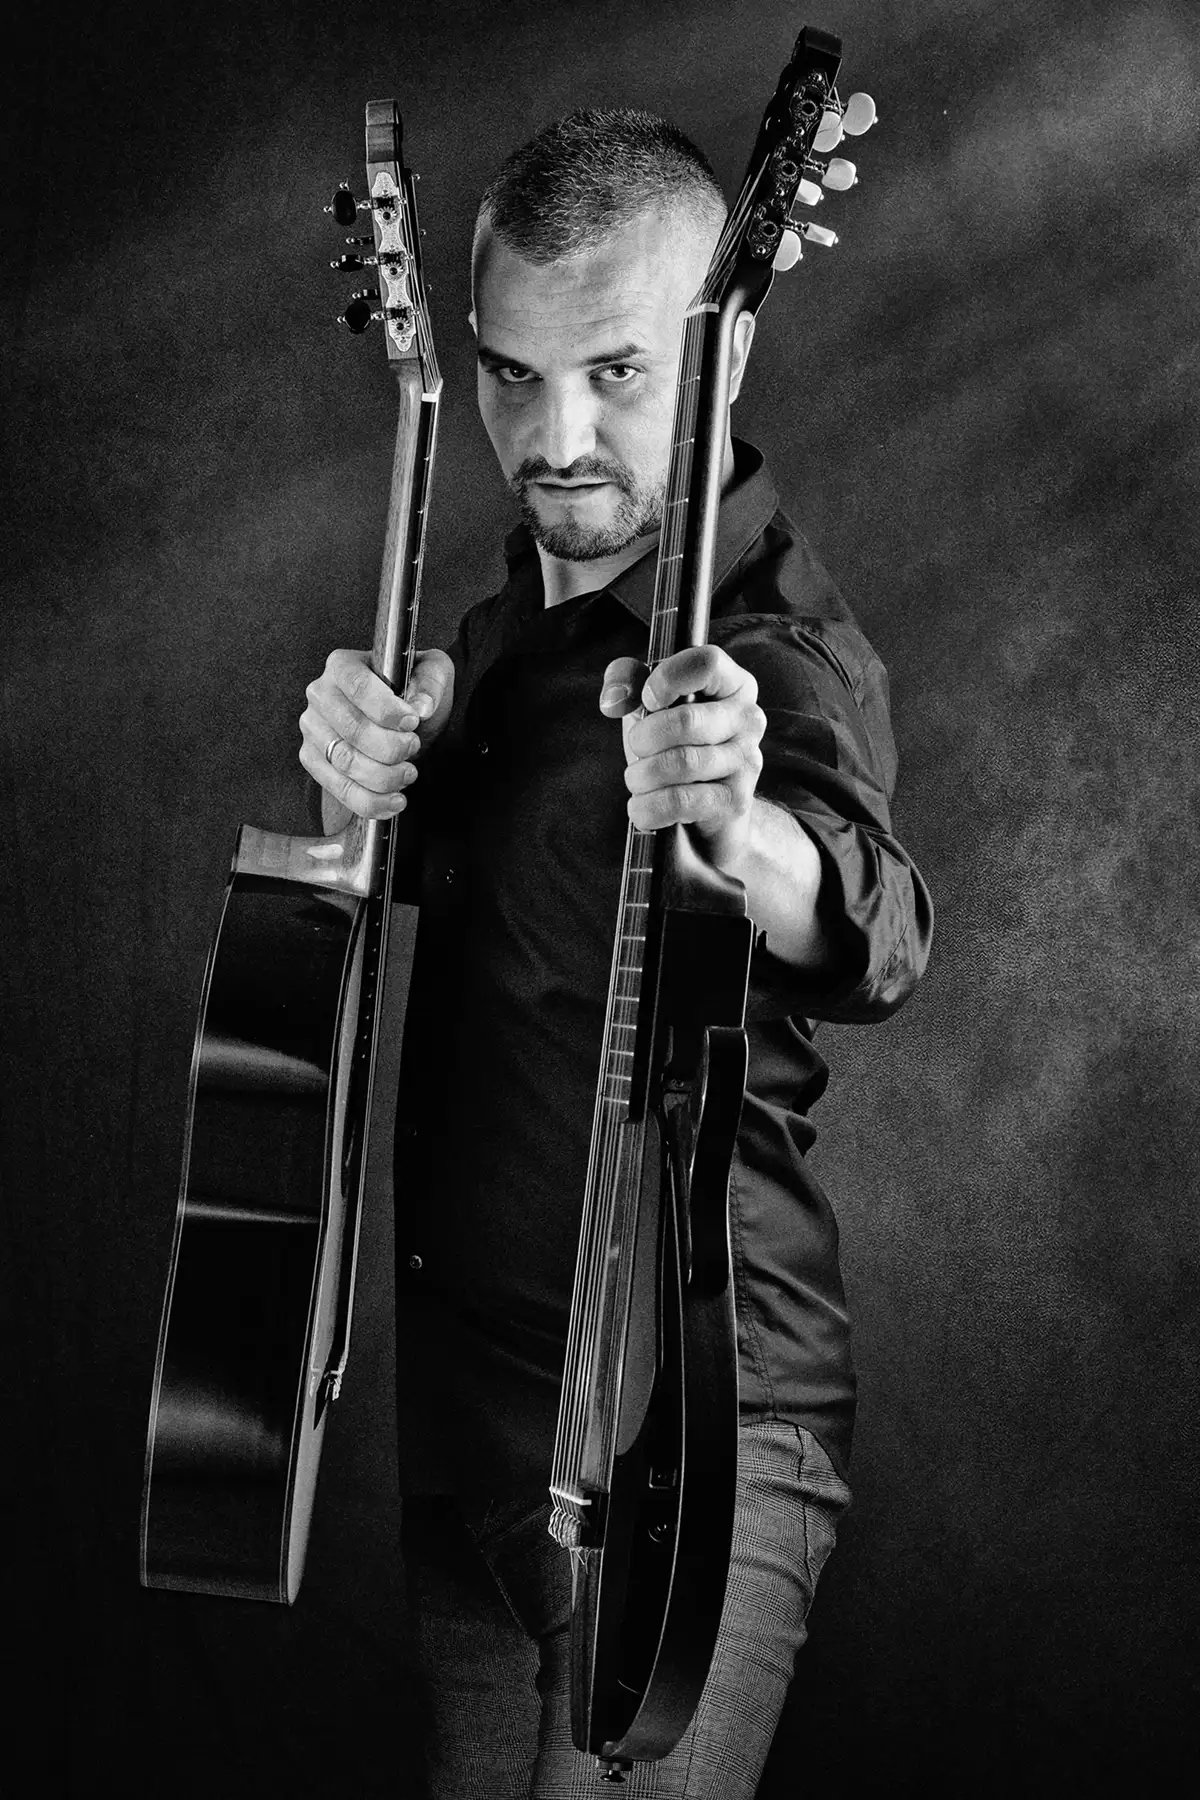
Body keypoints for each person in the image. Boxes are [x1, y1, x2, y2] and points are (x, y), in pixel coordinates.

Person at [299, 109, 932, 1800]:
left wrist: (743, 835)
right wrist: (385, 743)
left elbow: (869, 919)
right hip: (481, 1431)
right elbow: (466, 860)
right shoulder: (522, 619)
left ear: (728, 350)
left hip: (688, 1439)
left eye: (616, 372)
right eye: (510, 376)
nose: (554, 437)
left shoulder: (779, 649)